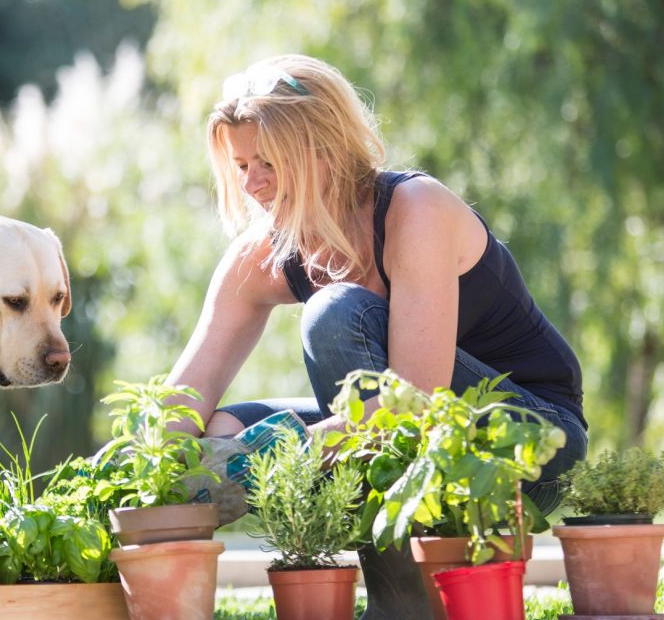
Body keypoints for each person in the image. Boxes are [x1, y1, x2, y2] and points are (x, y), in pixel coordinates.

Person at [167, 54, 587, 619]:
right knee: (218, 429)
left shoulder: (415, 210)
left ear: (324, 151)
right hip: (415, 435)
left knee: (335, 314)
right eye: (241, 165)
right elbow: (181, 401)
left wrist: (289, 451)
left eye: (268, 162)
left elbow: (415, 401)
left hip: (530, 437)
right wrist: (141, 471)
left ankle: (402, 606)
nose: (252, 184)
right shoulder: (263, 255)